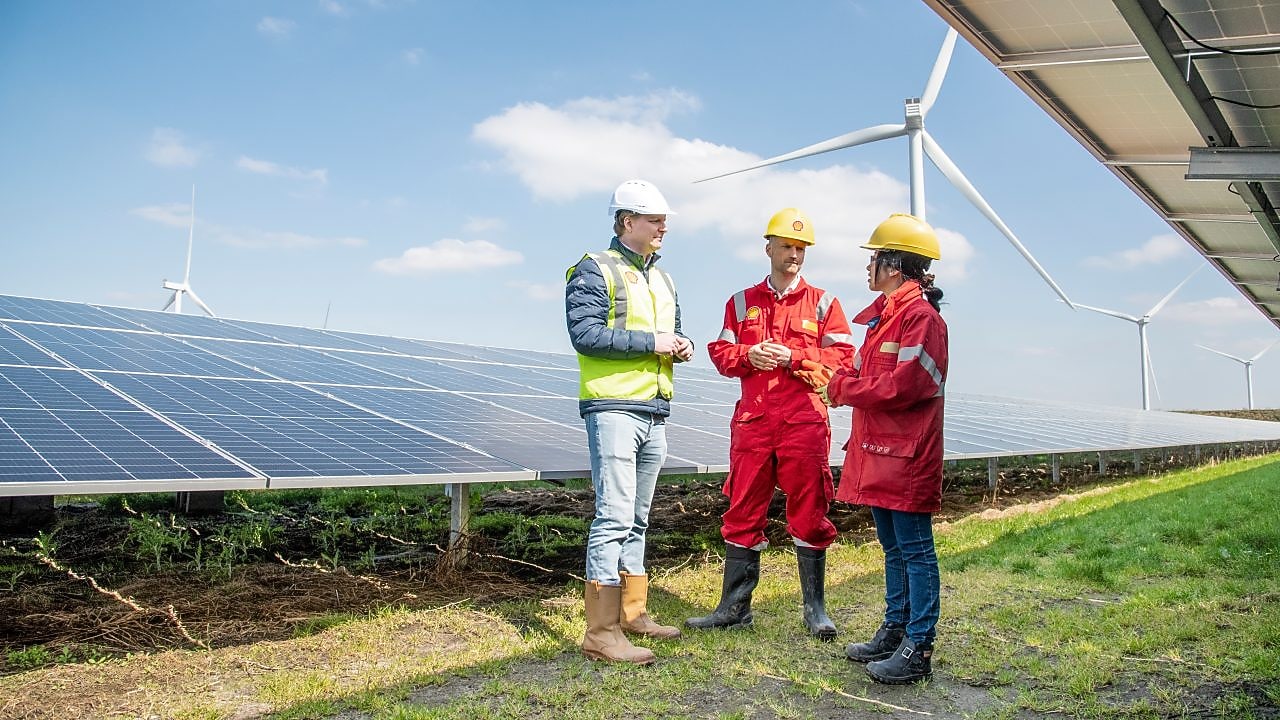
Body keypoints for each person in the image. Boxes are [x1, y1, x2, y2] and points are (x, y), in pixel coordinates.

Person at [686, 207, 856, 640]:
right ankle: (734, 608)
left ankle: (815, 609)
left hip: (804, 424)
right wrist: (748, 356)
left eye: (801, 248)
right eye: (787, 247)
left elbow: (843, 360)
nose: (794, 255)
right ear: (769, 248)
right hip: (754, 425)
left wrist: (795, 357)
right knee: (742, 510)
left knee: (811, 513)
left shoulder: (824, 303)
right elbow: (722, 353)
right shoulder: (741, 302)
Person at [565, 179, 695, 665]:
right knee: (614, 516)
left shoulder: (664, 279)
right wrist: (654, 342)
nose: (664, 227)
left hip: (655, 411)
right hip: (613, 408)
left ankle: (632, 613)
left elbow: (674, 332)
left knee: (638, 518)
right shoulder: (593, 269)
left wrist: (682, 345)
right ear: (626, 223)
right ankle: (600, 632)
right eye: (654, 219)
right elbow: (585, 334)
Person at [818, 213, 948, 684]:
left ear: (893, 266)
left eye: (873, 258)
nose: (867, 267)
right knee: (893, 548)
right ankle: (894, 631)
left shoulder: (922, 320)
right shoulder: (883, 320)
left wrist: (846, 388)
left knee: (915, 550)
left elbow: (907, 385)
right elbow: (865, 377)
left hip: (907, 455)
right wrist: (844, 382)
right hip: (880, 450)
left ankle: (919, 647)